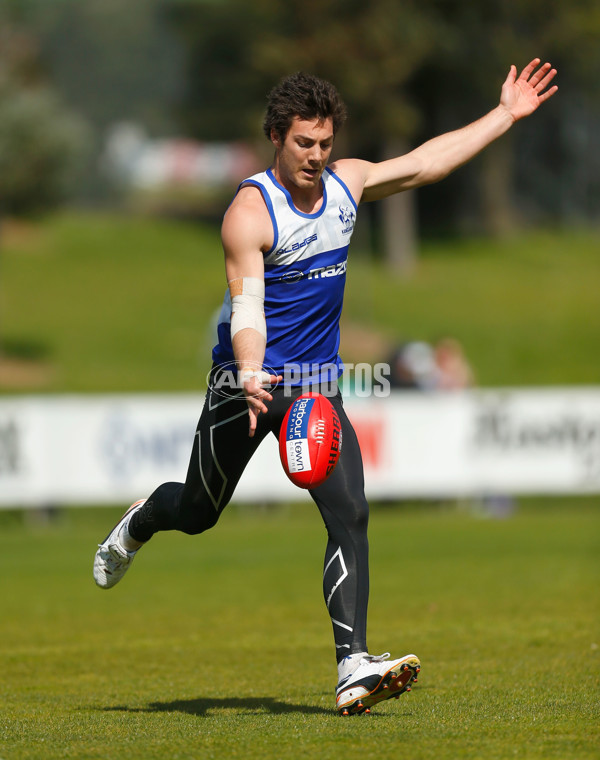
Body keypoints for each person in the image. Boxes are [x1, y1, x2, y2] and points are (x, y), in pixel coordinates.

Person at [93, 59, 557, 715]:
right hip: (244, 385)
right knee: (198, 512)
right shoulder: (249, 213)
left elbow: (428, 163)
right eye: (303, 143)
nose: (316, 156)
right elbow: (246, 307)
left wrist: (505, 115)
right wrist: (251, 370)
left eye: (325, 144)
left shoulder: (348, 185)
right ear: (276, 138)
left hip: (317, 390)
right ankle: (141, 520)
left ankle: (351, 666)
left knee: (350, 516)